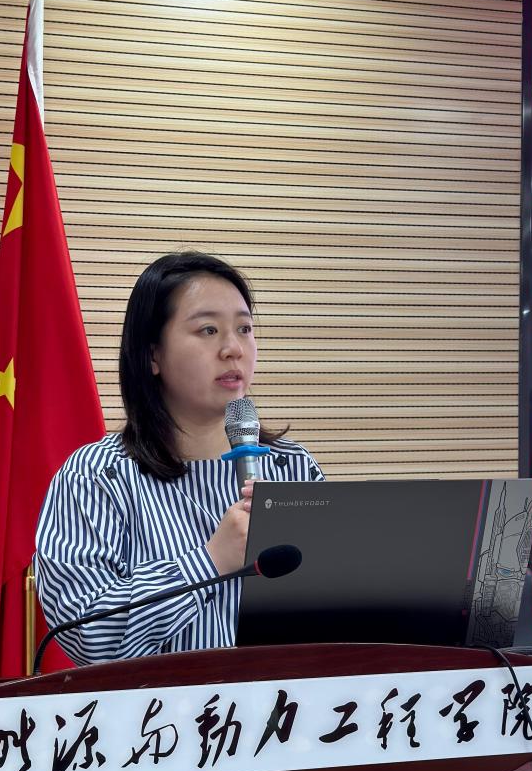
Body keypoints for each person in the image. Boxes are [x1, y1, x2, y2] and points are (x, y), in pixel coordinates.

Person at [34, 251, 324, 664]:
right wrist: (211, 560)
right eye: (208, 330)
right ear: (153, 354)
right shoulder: (96, 476)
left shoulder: (291, 466)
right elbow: (86, 638)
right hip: (155, 705)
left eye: (244, 328)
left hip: (283, 701)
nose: (233, 349)